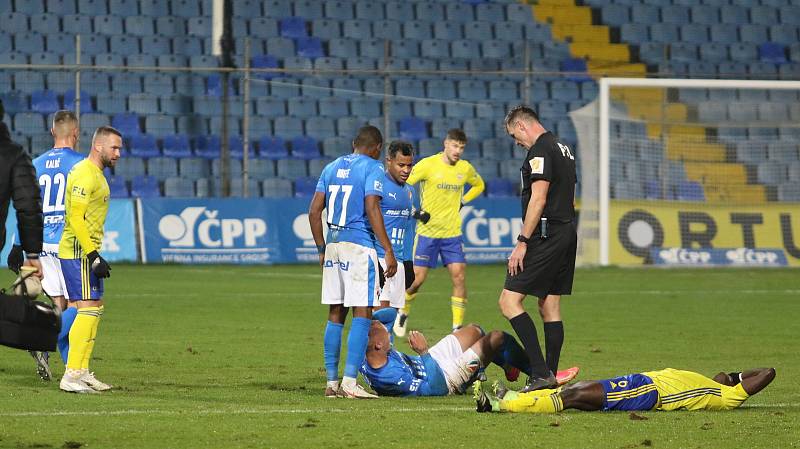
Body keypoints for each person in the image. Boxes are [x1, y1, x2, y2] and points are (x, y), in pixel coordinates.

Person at [309, 125, 398, 399]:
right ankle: (350, 382)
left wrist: (322, 248)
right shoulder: (373, 168)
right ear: (378, 148)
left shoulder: (331, 167)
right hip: (359, 246)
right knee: (363, 311)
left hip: (334, 244)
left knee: (336, 313)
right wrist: (387, 249)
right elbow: (372, 207)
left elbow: (314, 212)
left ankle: (331, 383)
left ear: (353, 143)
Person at [498, 105, 578, 392]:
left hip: (547, 233)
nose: (516, 143)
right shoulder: (563, 147)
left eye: (514, 136)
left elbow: (539, 198)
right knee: (550, 305)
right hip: (567, 230)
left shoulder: (541, 150)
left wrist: (522, 242)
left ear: (521, 126)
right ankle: (551, 377)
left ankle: (540, 372)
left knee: (508, 301)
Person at [8, 110, 84, 381]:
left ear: (53, 132)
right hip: (66, 246)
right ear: (76, 133)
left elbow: (25, 206)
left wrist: (18, 246)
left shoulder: (35, 163)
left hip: (39, 247)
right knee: (82, 305)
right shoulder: (81, 164)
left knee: (61, 307)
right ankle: (39, 341)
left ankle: (71, 369)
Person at [396, 128, 485, 337]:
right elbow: (403, 186)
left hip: (452, 233)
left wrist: (463, 201)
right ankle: (403, 310)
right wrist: (414, 211)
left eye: (461, 147)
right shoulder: (428, 165)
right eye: (455, 146)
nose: (458, 151)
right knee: (416, 281)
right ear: (446, 144)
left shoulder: (465, 168)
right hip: (427, 233)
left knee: (459, 277)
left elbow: (479, 185)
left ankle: (457, 328)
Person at [57, 126, 121, 394]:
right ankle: (71, 374)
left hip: (84, 250)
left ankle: (80, 372)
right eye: (114, 147)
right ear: (98, 146)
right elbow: (75, 217)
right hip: (79, 251)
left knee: (94, 307)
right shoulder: (85, 173)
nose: (118, 153)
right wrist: (93, 255)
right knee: (87, 309)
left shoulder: (96, 174)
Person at [475, 367, 777, 413]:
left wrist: (739, 381)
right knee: (579, 389)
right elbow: (723, 374)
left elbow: (767, 372)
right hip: (643, 381)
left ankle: (504, 405)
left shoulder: (725, 398)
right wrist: (733, 374)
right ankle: (516, 397)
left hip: (649, 393)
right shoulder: (712, 383)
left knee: (576, 395)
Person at [361, 319, 530, 397]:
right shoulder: (391, 377)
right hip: (447, 378)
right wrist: (424, 352)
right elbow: (437, 389)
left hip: (433, 360)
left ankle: (506, 366)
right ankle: (538, 372)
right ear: (378, 345)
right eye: (387, 335)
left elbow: (385, 315)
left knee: (475, 330)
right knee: (496, 338)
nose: (390, 336)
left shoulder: (364, 354)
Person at [373, 141, 415, 329]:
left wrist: (408, 262)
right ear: (388, 161)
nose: (406, 170)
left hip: (398, 262)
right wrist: (373, 260)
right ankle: (368, 359)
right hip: (380, 259)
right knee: (378, 319)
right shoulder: (377, 186)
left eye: (409, 165)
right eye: (401, 165)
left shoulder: (410, 191)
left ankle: (388, 358)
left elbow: (409, 229)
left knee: (392, 319)